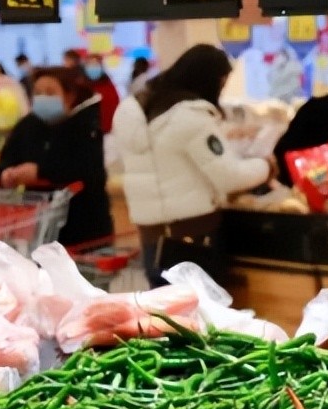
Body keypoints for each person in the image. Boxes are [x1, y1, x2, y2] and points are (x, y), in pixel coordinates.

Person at [113, 44, 274, 286]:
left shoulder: (132, 111)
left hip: (151, 239)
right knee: (207, 318)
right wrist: (266, 166)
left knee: (166, 316)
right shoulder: (189, 116)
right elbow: (230, 177)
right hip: (193, 237)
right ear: (207, 80)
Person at [0, 67, 115, 249]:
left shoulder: (85, 128)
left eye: (50, 93)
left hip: (84, 226)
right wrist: (5, 173)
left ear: (69, 96)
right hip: (39, 226)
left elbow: (89, 171)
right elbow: (5, 160)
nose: (43, 98)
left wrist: (41, 172)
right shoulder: (27, 126)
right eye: (37, 93)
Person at [84, 54, 120, 134]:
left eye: (96, 65)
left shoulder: (108, 86)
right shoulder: (81, 86)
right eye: (90, 65)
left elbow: (115, 105)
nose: (93, 68)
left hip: (108, 132)